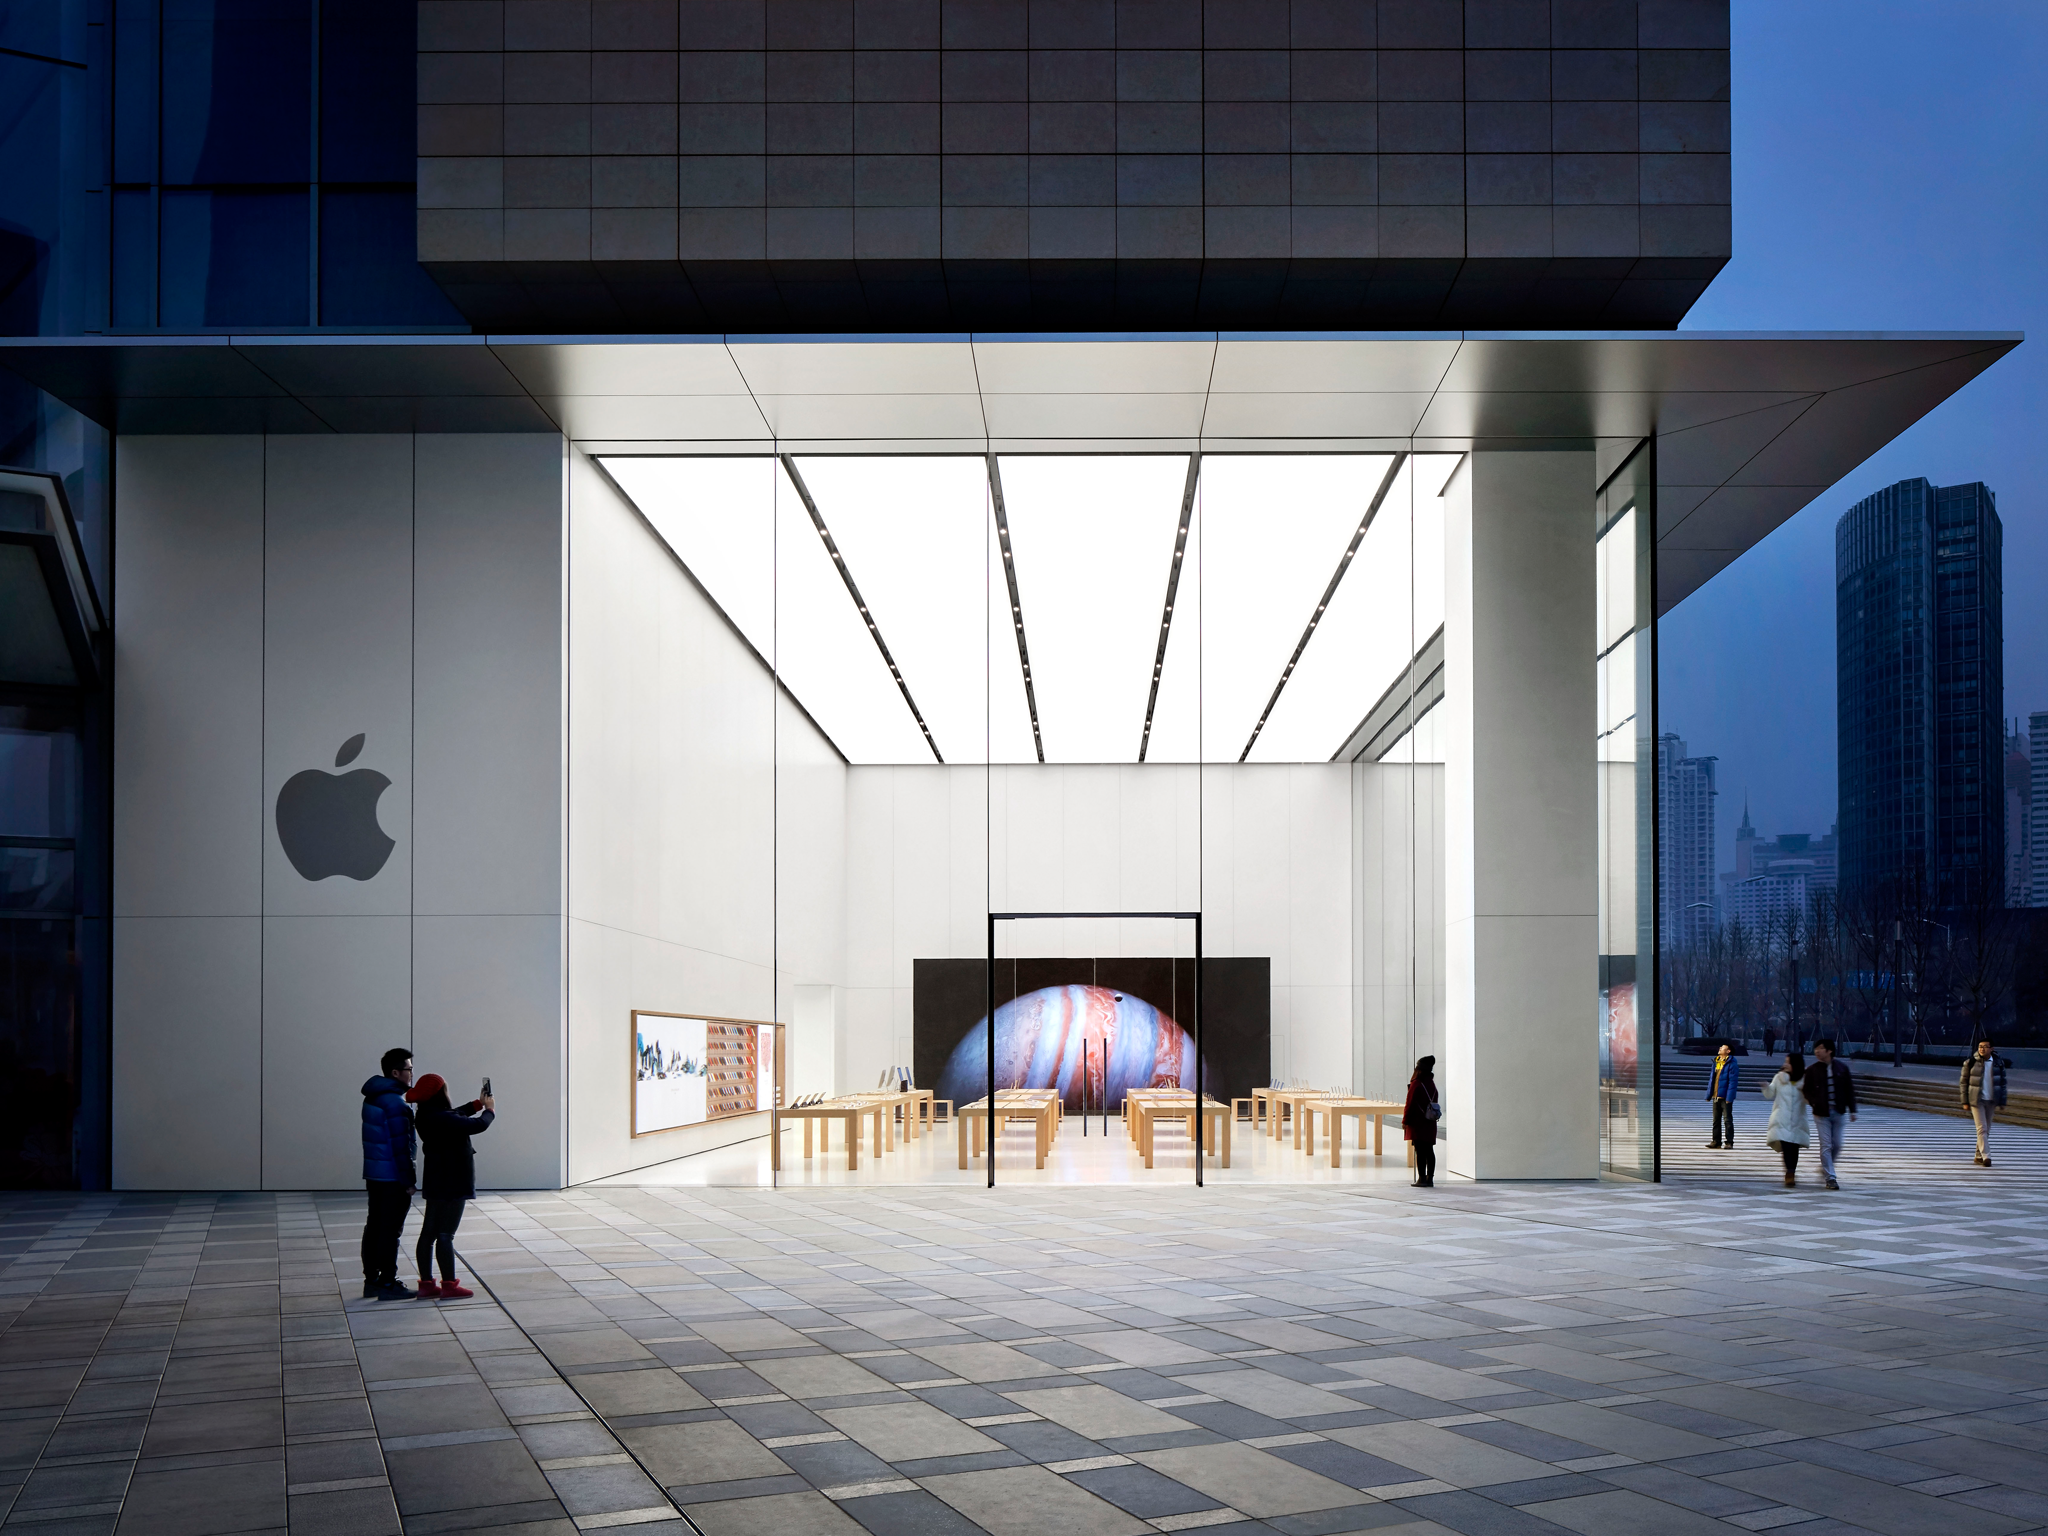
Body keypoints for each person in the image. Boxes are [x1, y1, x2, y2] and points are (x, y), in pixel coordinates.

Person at [406, 1073, 496, 1299]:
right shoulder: (442, 1118)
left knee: (429, 1232)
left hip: (436, 1178)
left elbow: (456, 1115)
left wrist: (477, 1104)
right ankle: (449, 1285)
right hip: (454, 1180)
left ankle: (426, 1284)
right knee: (446, 1233)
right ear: (440, 1093)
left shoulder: (426, 1114)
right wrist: (490, 1111)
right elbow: (477, 1125)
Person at [361, 1047, 418, 1300]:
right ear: (395, 1072)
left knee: (374, 1226)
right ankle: (388, 1283)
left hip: (374, 1173)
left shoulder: (373, 1097)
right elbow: (400, 1147)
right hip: (393, 1177)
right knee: (390, 1231)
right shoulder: (395, 1103)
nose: (411, 1074)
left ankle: (372, 1280)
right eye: (408, 1069)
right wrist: (408, 1181)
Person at [1801, 1039, 1857, 1190]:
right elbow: (1806, 1090)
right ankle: (1830, 1178)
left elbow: (1849, 1090)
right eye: (1816, 1049)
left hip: (1838, 1112)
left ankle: (1826, 1166)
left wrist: (1852, 1110)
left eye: (1820, 1048)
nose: (1817, 1051)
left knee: (1837, 1145)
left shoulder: (1842, 1068)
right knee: (1826, 1145)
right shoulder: (1812, 1070)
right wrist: (1814, 1102)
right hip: (1821, 1113)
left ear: (1829, 1051)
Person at [1759, 1052, 1812, 1189]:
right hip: (1781, 1117)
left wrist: (1806, 1092)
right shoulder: (1779, 1077)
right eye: (1786, 1061)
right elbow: (1770, 1093)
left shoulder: (1804, 1079)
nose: (1785, 1064)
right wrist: (1765, 1087)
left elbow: (1809, 1100)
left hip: (1798, 1118)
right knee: (1787, 1145)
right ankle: (1789, 1174)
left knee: (1794, 1147)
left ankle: (1791, 1172)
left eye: (1788, 1062)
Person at [1960, 1038, 2008, 1167]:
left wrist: (2002, 1101)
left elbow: (2003, 1083)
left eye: (1985, 1046)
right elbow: (1963, 1083)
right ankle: (1987, 1157)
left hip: (1992, 1100)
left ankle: (1978, 1155)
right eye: (1980, 1046)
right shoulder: (1970, 1063)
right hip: (1976, 1100)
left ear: (1991, 1049)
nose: (1982, 1049)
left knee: (1986, 1130)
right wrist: (1965, 1101)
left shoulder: (1998, 1063)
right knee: (1982, 1128)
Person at [1402, 1055, 1440, 1188]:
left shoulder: (1416, 1084)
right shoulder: (1431, 1084)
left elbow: (1409, 1104)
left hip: (1418, 1122)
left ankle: (1421, 1178)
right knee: (1429, 1150)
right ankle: (1430, 1179)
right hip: (1430, 1122)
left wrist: (1405, 1121)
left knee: (1420, 1151)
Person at [1705, 1043, 1740, 1149]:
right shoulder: (1716, 1062)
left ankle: (1729, 1142)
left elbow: (1733, 1082)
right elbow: (1712, 1080)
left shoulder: (1731, 1064)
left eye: (1722, 1048)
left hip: (1725, 1097)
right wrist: (1709, 1095)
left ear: (1728, 1051)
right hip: (1716, 1095)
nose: (1720, 1048)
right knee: (1716, 1120)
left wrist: (1729, 1098)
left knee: (1727, 1120)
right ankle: (1716, 1141)